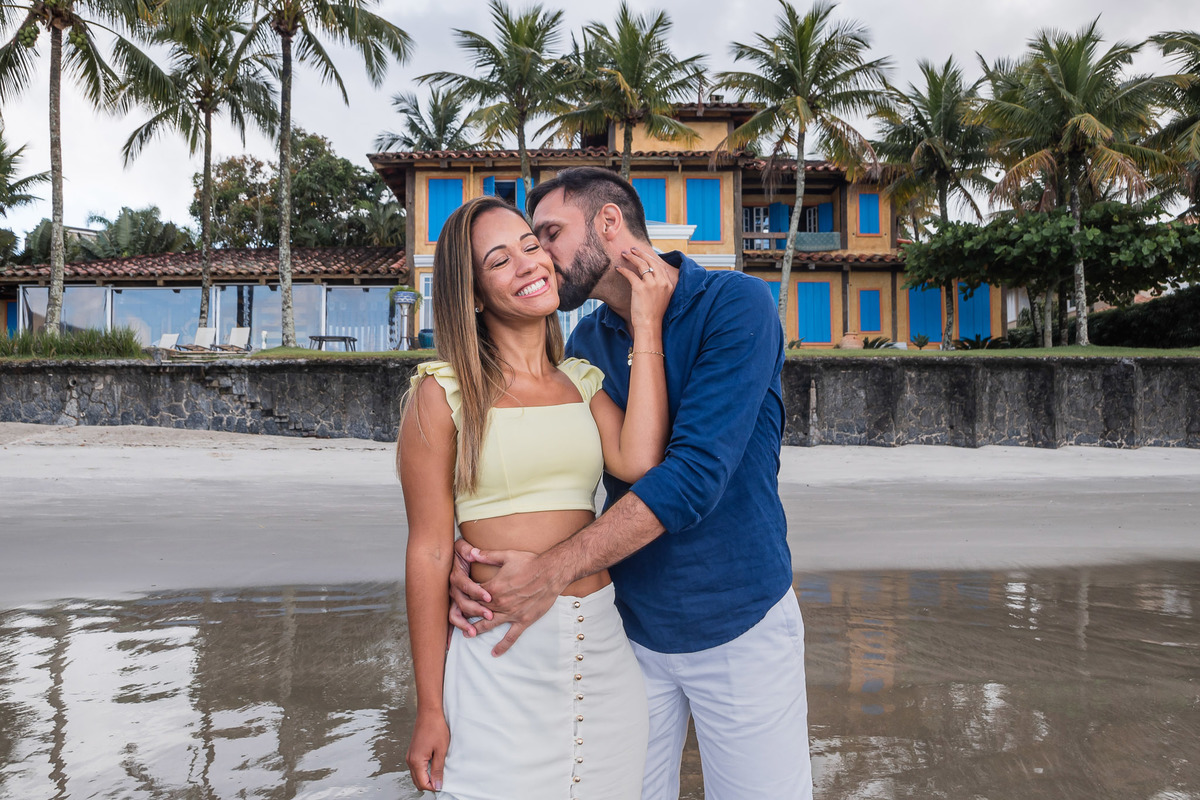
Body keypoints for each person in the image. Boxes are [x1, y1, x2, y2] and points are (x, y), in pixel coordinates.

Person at [449, 167, 813, 800]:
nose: (541, 257)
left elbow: (692, 479)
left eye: (549, 235)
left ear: (609, 223)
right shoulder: (586, 343)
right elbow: (556, 473)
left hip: (741, 622)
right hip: (628, 633)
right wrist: (471, 556)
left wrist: (549, 571)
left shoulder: (736, 304)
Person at [398, 194, 676, 800]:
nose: (529, 264)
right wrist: (430, 707)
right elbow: (428, 553)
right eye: (500, 260)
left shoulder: (581, 380)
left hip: (603, 654)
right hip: (499, 661)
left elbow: (640, 461)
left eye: (531, 246)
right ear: (472, 293)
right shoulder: (441, 393)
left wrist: (647, 323)